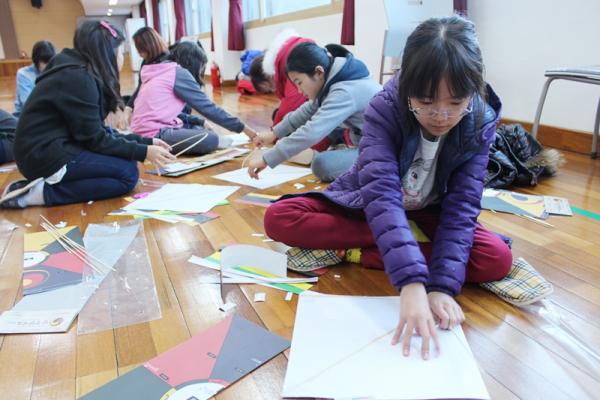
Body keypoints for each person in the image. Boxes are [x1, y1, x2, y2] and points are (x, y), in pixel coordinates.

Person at [262, 16, 512, 358]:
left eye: (455, 103)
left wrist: (441, 286)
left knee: (496, 259)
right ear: (407, 86)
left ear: (473, 89)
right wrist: (411, 282)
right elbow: (380, 194)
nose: (441, 115)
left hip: (431, 211)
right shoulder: (385, 106)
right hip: (371, 204)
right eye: (426, 101)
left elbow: (463, 206)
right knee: (279, 217)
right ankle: (400, 243)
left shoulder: (480, 120)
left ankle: (363, 250)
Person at [0, 20, 174, 209]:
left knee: (127, 163)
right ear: (107, 51)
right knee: (127, 174)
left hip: (49, 147)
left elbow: (96, 131)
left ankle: (42, 189)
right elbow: (95, 139)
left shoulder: (77, 70)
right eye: (119, 50)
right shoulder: (80, 78)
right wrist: (144, 151)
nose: (121, 57)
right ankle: (37, 194)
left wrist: (145, 142)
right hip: (43, 156)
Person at [247, 42, 382, 182]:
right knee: (325, 125)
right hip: (363, 136)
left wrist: (267, 158)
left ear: (319, 72)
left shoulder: (344, 91)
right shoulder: (333, 78)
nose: (299, 90)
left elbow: (312, 131)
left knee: (322, 165)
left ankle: (346, 156)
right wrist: (274, 133)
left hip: (384, 148)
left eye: (299, 82)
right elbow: (308, 110)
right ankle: (340, 151)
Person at [129, 40, 258, 155]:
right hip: (153, 134)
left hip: (143, 131)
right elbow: (208, 108)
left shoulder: (163, 70)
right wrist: (246, 130)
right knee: (211, 139)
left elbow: (166, 113)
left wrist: (200, 122)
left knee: (199, 128)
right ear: (193, 64)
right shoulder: (178, 73)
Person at [14, 40, 56, 115]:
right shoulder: (23, 74)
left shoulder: (55, 70)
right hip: (26, 115)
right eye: (44, 62)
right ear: (36, 60)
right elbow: (28, 104)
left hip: (48, 113)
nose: (48, 66)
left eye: (50, 62)